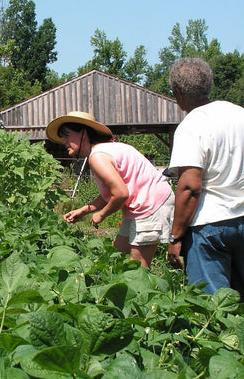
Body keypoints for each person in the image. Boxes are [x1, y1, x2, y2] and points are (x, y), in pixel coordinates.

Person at [46, 111, 174, 268]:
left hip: (150, 204)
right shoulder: (103, 151)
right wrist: (84, 211)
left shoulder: (98, 157)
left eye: (66, 135)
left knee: (137, 269)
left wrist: (102, 214)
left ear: (83, 133)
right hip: (141, 204)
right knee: (117, 257)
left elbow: (120, 194)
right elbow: (110, 194)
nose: (63, 141)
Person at [167, 57, 244, 301]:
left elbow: (190, 187)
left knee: (213, 309)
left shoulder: (192, 125)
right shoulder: (240, 114)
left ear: (178, 94)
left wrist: (175, 236)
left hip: (210, 226)